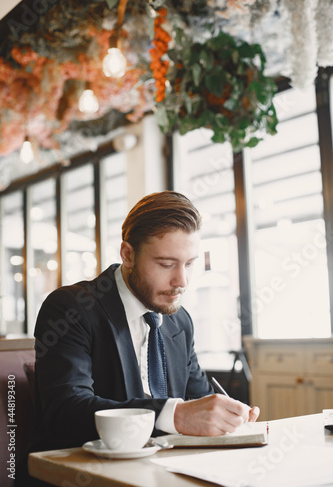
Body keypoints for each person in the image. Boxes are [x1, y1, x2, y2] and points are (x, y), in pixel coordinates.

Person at [16, 191, 259, 486]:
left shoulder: (179, 321)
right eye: (167, 264)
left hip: (159, 475)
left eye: (190, 263)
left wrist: (225, 415)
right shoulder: (71, 308)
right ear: (128, 254)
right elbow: (67, 411)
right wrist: (176, 416)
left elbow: (198, 399)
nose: (181, 281)